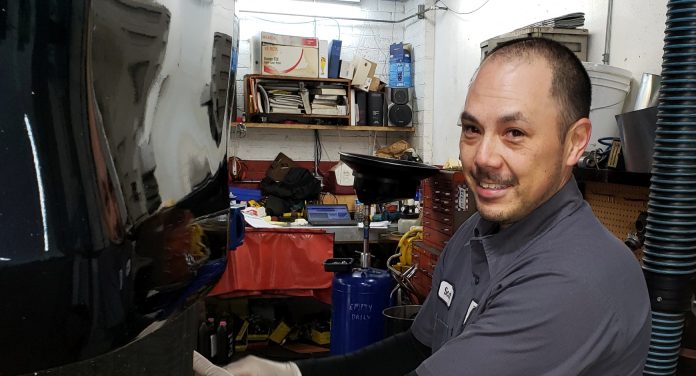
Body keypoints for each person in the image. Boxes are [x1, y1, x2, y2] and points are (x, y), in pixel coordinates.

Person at [195, 37, 651, 376]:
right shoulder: (476, 233)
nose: (484, 158)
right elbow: (417, 348)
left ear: (575, 142)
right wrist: (294, 373)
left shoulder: (574, 279)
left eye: (514, 133)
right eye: (472, 129)